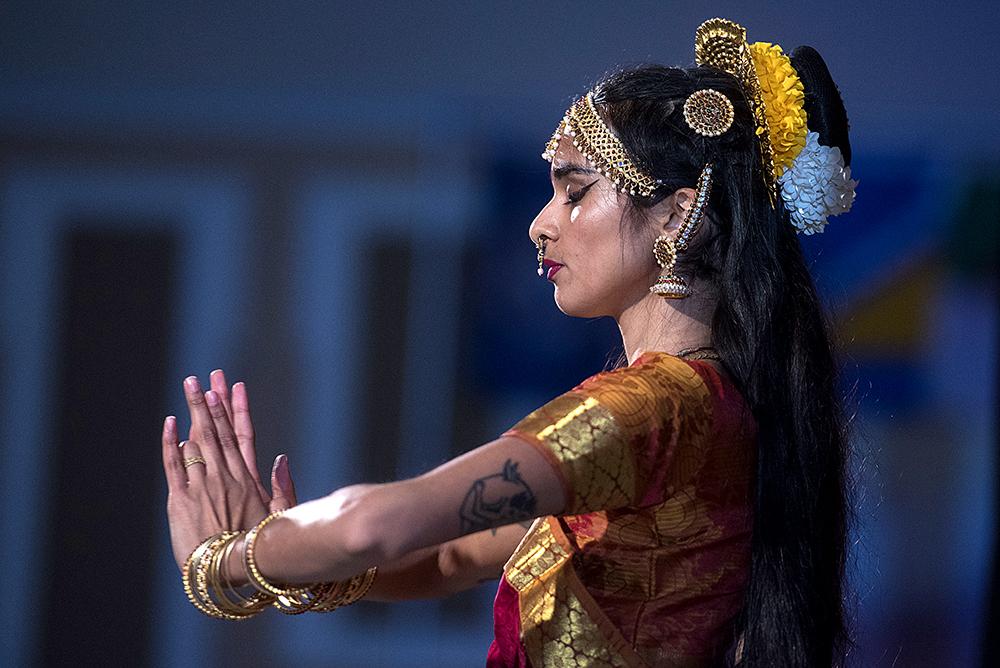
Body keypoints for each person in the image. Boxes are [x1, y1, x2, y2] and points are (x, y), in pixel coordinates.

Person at [162, 17, 856, 667]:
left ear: (678, 216)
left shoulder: (652, 410)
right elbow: (448, 560)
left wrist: (226, 562)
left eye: (574, 191)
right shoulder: (711, 406)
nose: (540, 223)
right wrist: (287, 557)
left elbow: (373, 526)